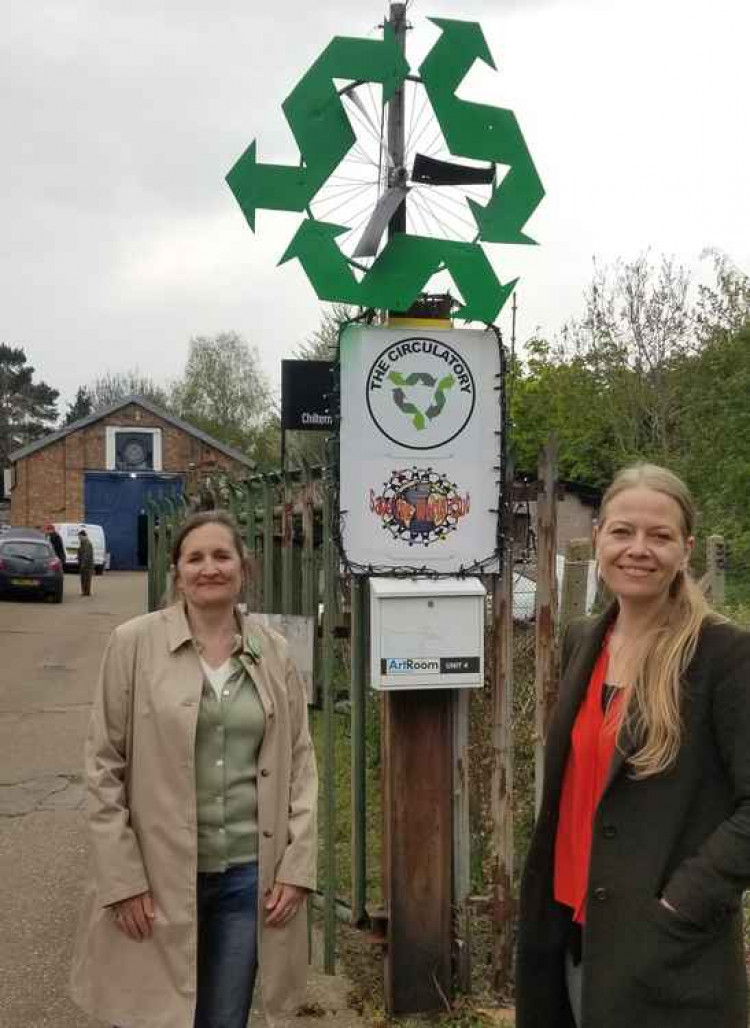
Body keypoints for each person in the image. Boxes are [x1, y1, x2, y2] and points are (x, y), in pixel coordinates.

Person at [516, 463, 750, 1028]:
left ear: (685, 548)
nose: (638, 549)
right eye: (623, 532)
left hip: (666, 955)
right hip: (569, 934)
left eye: (660, 535)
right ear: (598, 538)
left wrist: (681, 903)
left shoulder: (725, 657)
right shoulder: (583, 640)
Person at [70, 510, 318, 1028]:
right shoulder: (133, 644)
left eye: (222, 556)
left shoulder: (271, 651)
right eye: (196, 558)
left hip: (248, 879)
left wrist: (296, 869)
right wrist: (121, 880)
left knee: (223, 1019)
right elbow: (102, 768)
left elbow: (300, 761)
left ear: (243, 569)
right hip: (157, 879)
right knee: (156, 1016)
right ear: (177, 571)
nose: (210, 568)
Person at [78, 528, 94, 596]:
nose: (78, 538)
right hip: (84, 563)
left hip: (87, 565)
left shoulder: (87, 543)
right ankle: (84, 591)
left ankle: (86, 592)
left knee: (86, 578)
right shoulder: (83, 542)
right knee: (83, 578)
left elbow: (86, 555)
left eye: (79, 536)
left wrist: (83, 564)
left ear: (82, 536)